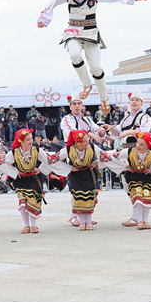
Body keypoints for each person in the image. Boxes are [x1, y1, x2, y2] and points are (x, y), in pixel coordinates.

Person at [37, 0, 148, 115]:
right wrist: (43, 19)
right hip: (73, 31)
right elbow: (52, 3)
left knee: (96, 67)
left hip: (90, 31)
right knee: (74, 54)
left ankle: (104, 98)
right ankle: (86, 85)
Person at [48, 130, 112, 231]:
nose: (87, 143)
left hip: (89, 174)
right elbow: (51, 159)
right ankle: (83, 222)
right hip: (76, 176)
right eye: (84, 141)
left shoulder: (92, 147)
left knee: (89, 198)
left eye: (87, 140)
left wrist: (97, 162)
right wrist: (68, 168)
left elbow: (107, 157)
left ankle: (89, 222)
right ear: (77, 142)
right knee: (79, 198)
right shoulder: (68, 149)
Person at [59, 94, 106, 227]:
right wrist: (91, 134)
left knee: (90, 183)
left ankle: (87, 215)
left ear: (82, 106)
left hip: (88, 151)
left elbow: (96, 128)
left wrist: (101, 131)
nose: (77, 106)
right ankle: (74, 216)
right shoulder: (66, 119)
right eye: (74, 104)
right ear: (70, 107)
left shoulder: (87, 119)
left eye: (79, 103)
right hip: (74, 152)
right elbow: (74, 134)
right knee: (76, 185)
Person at [0, 128, 53, 234]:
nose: (31, 141)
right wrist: (14, 172)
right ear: (21, 141)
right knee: (22, 202)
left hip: (33, 180)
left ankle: (34, 225)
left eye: (31, 138)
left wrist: (40, 169)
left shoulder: (37, 150)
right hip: (20, 180)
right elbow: (3, 164)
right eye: (27, 139)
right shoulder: (14, 152)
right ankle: (26, 225)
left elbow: (49, 160)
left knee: (33, 201)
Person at [110, 132, 151, 230]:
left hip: (147, 177)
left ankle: (144, 221)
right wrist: (124, 167)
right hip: (134, 177)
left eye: (142, 144)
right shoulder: (129, 151)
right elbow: (112, 157)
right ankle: (140, 221)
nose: (138, 146)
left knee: (147, 197)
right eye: (137, 143)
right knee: (137, 197)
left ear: (148, 145)